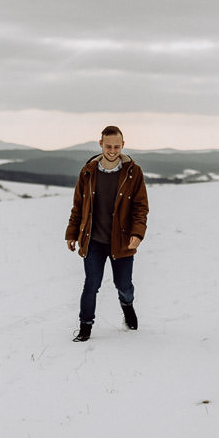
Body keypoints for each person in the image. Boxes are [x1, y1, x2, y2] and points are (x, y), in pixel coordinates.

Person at [66, 126, 149, 342]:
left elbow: (141, 208)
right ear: (100, 144)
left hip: (122, 242)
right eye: (108, 145)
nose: (112, 150)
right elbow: (78, 206)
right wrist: (72, 233)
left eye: (116, 146)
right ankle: (85, 327)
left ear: (123, 145)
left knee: (124, 285)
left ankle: (127, 306)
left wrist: (137, 234)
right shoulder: (88, 172)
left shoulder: (133, 172)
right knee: (91, 284)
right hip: (94, 240)